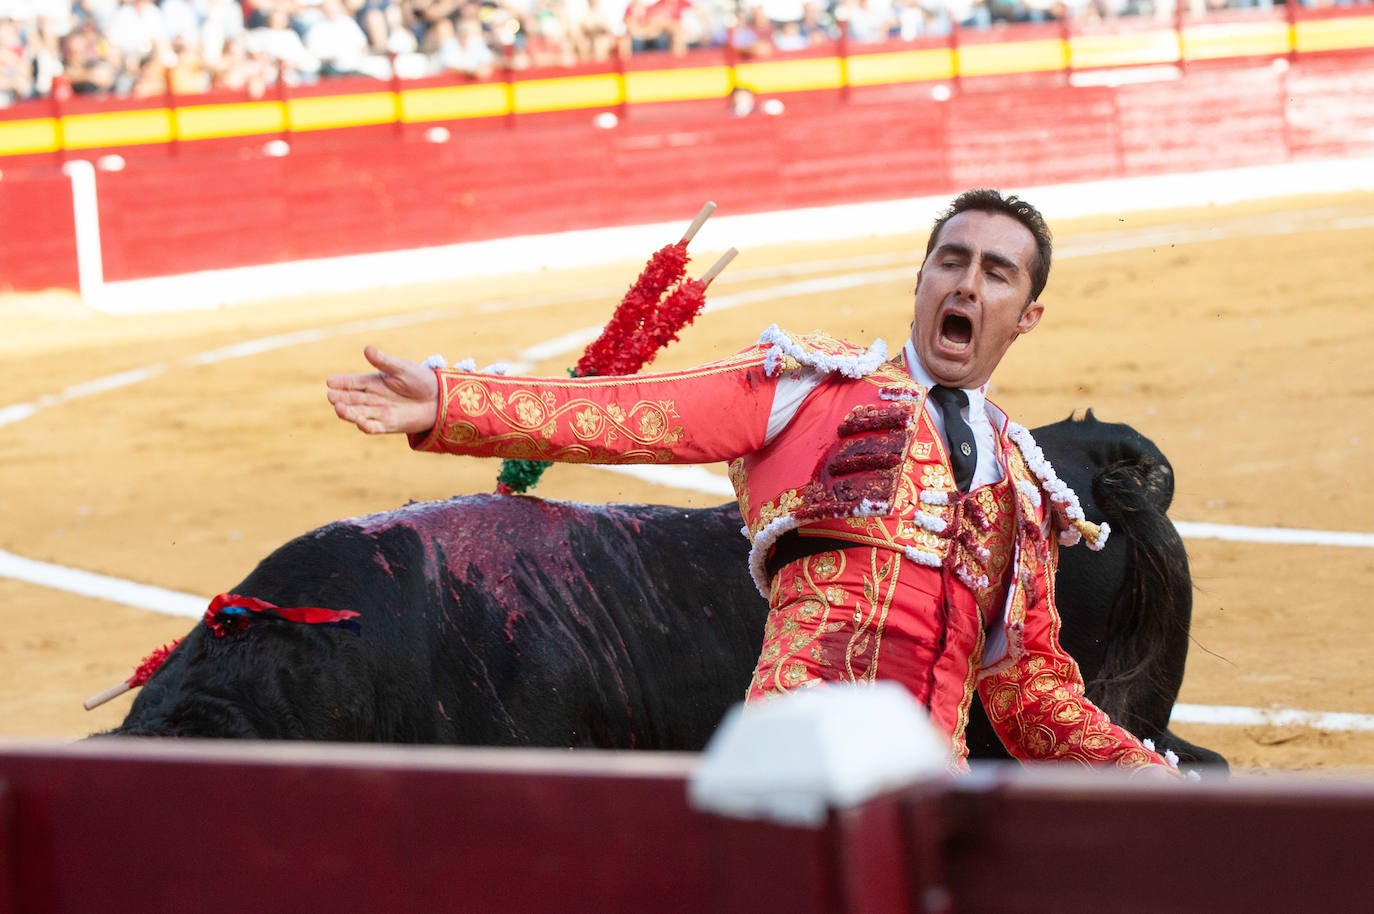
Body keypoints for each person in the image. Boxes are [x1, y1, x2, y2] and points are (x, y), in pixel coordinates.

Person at [325, 188, 1179, 776]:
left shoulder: (1024, 495)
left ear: (1025, 313)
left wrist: (1149, 774)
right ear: (919, 280)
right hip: (793, 771)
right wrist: (448, 401)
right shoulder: (813, 390)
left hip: (922, 798)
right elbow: (632, 413)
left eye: (996, 272)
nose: (966, 281)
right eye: (950, 260)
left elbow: (1030, 697)